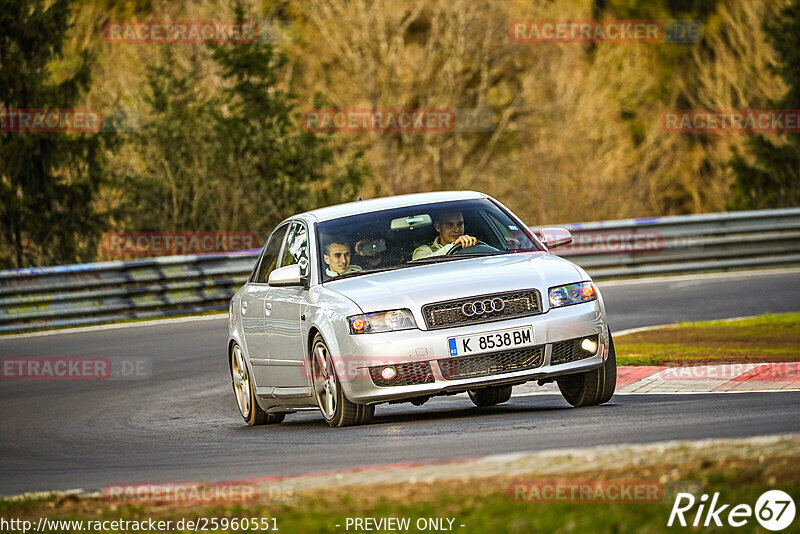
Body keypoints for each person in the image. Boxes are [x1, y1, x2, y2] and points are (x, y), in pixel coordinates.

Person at [412, 211, 477, 260]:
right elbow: (421, 263)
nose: (456, 230)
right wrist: (455, 245)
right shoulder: (424, 250)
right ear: (438, 227)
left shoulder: (473, 246)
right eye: (450, 225)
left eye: (460, 224)